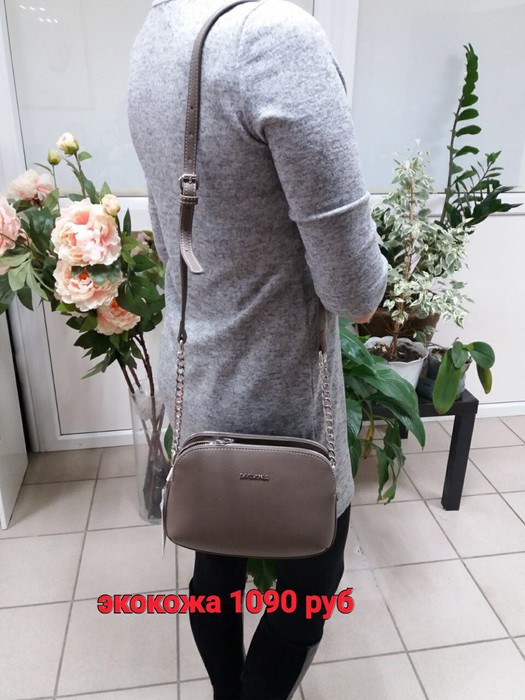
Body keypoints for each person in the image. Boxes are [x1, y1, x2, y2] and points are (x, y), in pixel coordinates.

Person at [128, 1, 387, 698]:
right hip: (283, 392)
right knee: (310, 585)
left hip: (200, 372)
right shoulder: (279, 39)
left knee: (215, 563)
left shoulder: (159, 29)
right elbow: (356, 292)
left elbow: (178, 233)